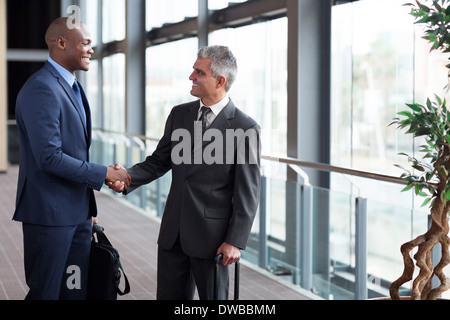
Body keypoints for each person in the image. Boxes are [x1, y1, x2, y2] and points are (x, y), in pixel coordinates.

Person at [112, 45, 261, 300]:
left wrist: (235, 240)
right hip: (174, 233)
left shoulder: (245, 127)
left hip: (213, 240)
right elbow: (159, 162)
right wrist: (127, 178)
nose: (191, 76)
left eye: (198, 72)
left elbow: (247, 191)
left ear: (220, 80)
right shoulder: (180, 115)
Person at [13, 17, 130, 300]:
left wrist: (85, 210)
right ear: (61, 43)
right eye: (86, 43)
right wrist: (104, 173)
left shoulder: (72, 87)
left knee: (74, 292)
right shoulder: (42, 87)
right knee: (47, 293)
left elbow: (75, 151)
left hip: (76, 215)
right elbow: (49, 157)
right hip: (50, 217)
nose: (91, 49)